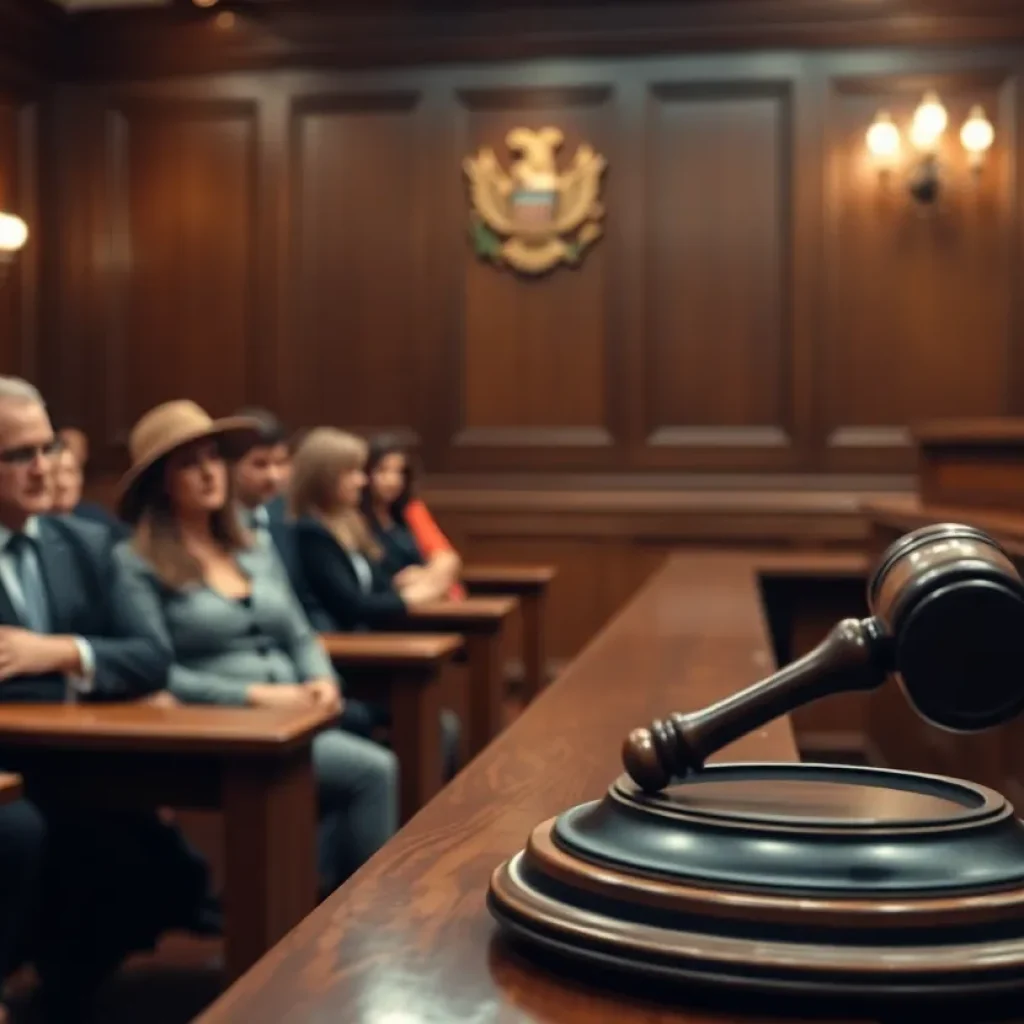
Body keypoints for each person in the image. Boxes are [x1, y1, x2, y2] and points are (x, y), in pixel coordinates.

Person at [113, 400, 398, 893]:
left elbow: (297, 632)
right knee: (373, 771)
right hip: (216, 724)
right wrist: (253, 697)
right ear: (160, 482)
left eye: (212, 458)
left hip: (295, 716)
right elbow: (155, 669)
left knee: (364, 766)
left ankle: (324, 915)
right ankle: (373, 920)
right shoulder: (134, 562)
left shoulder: (253, 547)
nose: (209, 474)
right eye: (188, 464)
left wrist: (321, 678)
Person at [0, 378, 213, 1021]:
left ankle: (60, 999)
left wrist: (62, 651)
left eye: (50, 446)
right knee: (28, 836)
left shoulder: (83, 544)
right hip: (11, 769)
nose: (45, 467)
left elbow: (150, 656)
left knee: (160, 871)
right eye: (20, 455)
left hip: (81, 763)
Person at [291, 429, 450, 631]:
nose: (362, 481)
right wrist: (409, 599)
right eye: (351, 472)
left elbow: (379, 586)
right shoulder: (311, 533)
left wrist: (410, 585)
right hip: (342, 644)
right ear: (324, 478)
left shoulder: (350, 524)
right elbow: (350, 605)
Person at [363, 434, 465, 600]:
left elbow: (448, 559)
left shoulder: (410, 509)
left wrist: (423, 575)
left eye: (399, 472)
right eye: (383, 470)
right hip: (391, 604)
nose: (393, 480)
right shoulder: (355, 519)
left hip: (425, 596)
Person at [50, 439, 129, 539]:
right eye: (53, 473)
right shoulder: (31, 526)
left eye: (70, 472)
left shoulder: (98, 520)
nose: (63, 483)